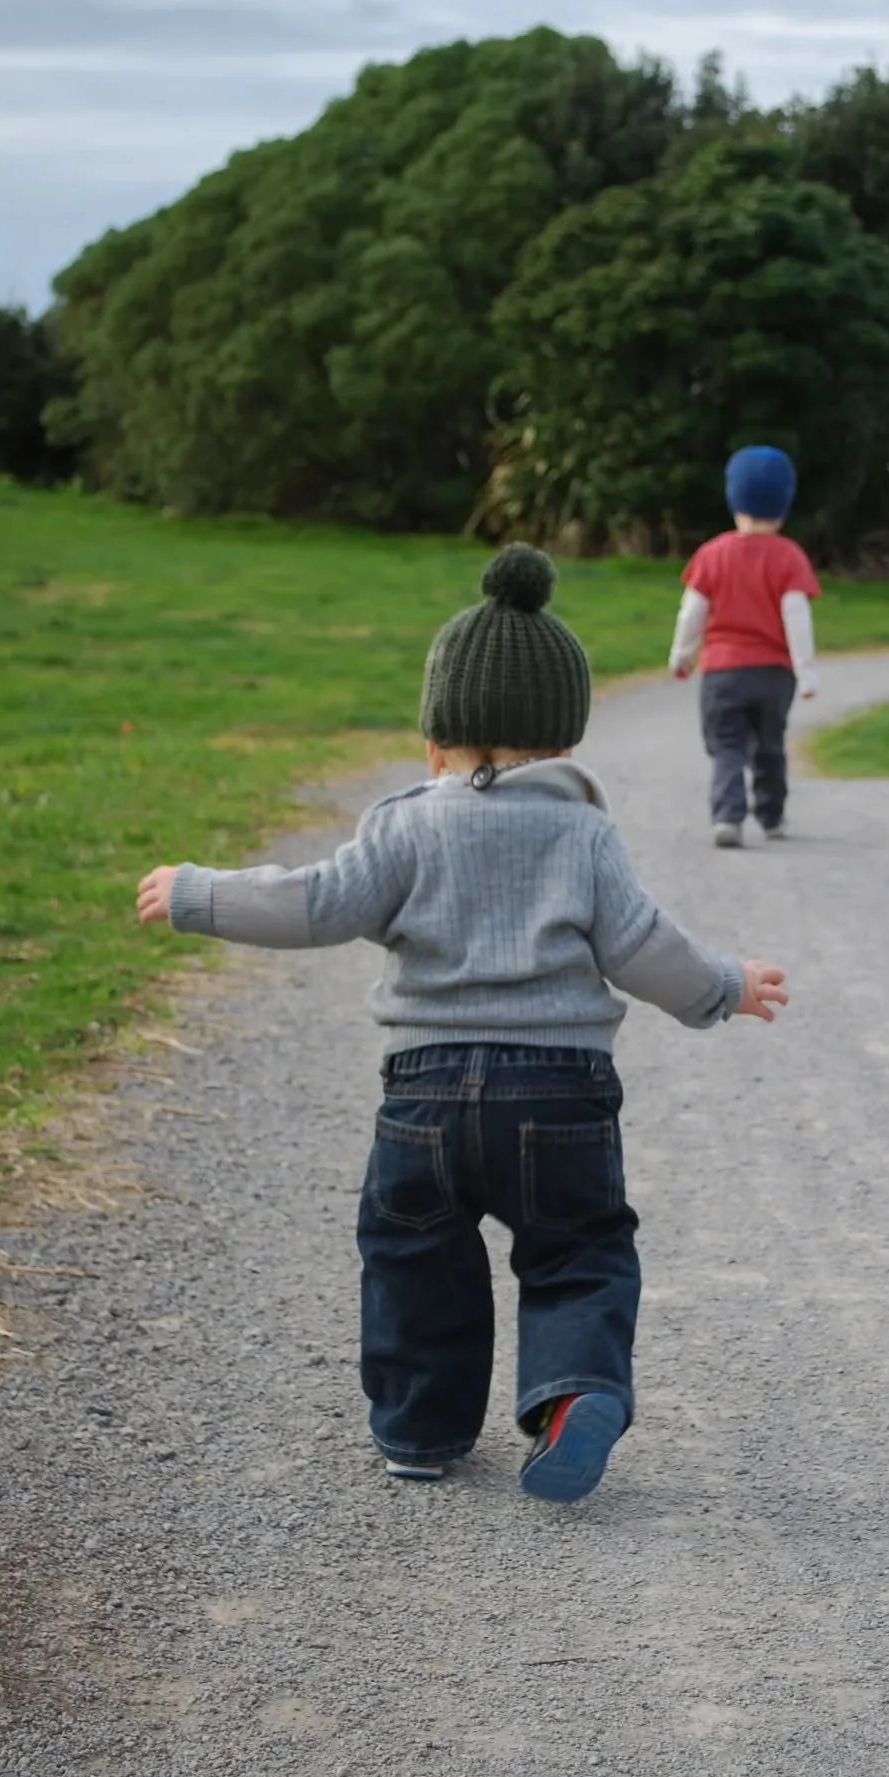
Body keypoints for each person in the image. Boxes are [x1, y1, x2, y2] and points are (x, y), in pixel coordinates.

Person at [135, 545, 788, 1502]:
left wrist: (200, 894)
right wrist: (723, 987)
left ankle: (420, 1432)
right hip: (560, 1099)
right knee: (578, 1250)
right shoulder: (584, 831)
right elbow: (644, 944)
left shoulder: (403, 826)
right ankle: (572, 1398)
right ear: (564, 746)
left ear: (436, 743)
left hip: (425, 1100)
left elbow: (313, 903)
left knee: (413, 1259)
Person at [669, 446, 821, 848]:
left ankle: (728, 817)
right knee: (770, 745)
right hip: (774, 675)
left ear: (733, 498)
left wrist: (682, 655)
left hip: (722, 672)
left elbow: (692, 613)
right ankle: (772, 816)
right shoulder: (790, 557)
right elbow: (796, 617)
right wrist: (805, 672)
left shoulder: (712, 554)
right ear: (785, 503)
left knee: (727, 746)